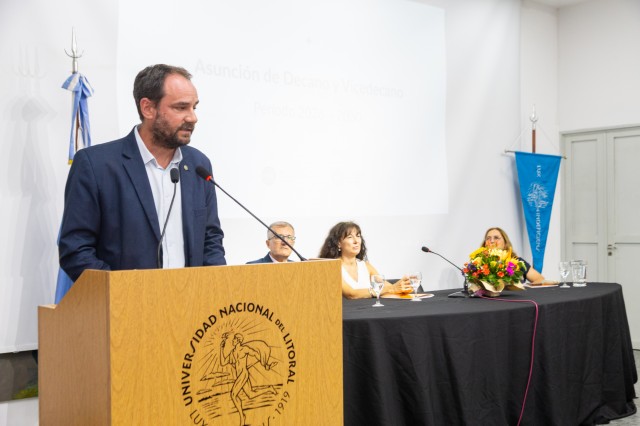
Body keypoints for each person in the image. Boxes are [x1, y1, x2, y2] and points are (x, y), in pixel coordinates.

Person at [59, 64, 226, 282]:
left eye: (194, 107)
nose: (192, 117)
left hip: (192, 299)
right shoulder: (96, 165)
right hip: (125, 301)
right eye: (181, 107)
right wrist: (125, 291)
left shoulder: (198, 165)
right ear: (148, 108)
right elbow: (76, 250)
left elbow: (211, 239)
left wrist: (215, 287)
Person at [318, 221, 412, 299]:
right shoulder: (331, 267)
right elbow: (351, 294)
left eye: (358, 236)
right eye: (350, 237)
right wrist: (392, 288)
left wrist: (402, 285)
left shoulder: (366, 266)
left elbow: (385, 286)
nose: (356, 241)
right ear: (339, 243)